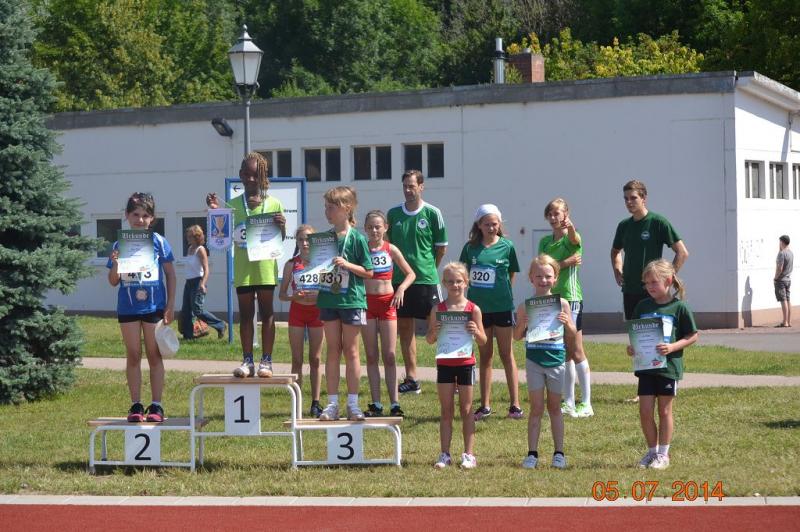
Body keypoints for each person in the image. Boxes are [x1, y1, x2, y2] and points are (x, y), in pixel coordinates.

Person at [206, 152, 285, 379]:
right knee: (246, 314)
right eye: (247, 174)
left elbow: (281, 237)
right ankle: (247, 360)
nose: (251, 179)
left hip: (265, 267)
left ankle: (266, 361)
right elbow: (220, 236)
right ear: (240, 175)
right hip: (243, 268)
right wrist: (215, 212)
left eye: (255, 175)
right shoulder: (232, 205)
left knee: (267, 313)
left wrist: (282, 225)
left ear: (263, 177)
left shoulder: (274, 203)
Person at [107, 192, 176, 423]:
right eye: (135, 214)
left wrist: (170, 305)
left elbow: (170, 274)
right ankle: (136, 404)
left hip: (154, 306)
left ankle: (157, 405)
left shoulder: (159, 242)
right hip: (128, 307)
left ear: (152, 218)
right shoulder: (119, 244)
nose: (140, 219)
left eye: (145, 215)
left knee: (154, 355)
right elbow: (113, 281)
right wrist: (115, 263)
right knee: (134, 354)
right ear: (127, 216)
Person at [627, 259, 698, 470]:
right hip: (646, 368)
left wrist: (673, 347)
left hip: (668, 368)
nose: (649, 287)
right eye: (646, 283)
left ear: (668, 281)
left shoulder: (680, 307)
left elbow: (693, 335)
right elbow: (636, 334)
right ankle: (652, 452)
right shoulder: (642, 306)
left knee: (664, 411)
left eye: (654, 282)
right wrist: (632, 348)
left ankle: (663, 454)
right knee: (645, 411)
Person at [458, 204, 523, 421]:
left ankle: (515, 405)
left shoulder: (507, 246)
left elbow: (511, 273)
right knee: (485, 356)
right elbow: (462, 275)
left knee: (506, 354)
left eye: (494, 224)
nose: (491, 227)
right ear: (479, 225)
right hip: (479, 311)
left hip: (502, 307)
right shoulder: (470, 248)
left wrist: (503, 293)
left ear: (499, 224)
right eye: (487, 224)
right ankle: (485, 405)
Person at [387, 169, 448, 395]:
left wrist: (429, 267)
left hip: (426, 279)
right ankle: (412, 379)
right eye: (405, 186)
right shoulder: (393, 214)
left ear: (421, 187)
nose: (408, 190)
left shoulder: (433, 213)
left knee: (440, 326)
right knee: (405, 329)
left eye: (412, 186)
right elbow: (388, 248)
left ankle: (450, 375)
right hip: (400, 281)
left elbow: (441, 248)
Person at [317, 187, 374, 421]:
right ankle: (332, 403)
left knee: (351, 350)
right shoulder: (324, 238)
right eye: (326, 207)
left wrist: (347, 265)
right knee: (333, 350)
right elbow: (317, 269)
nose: (327, 211)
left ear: (346, 208)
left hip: (351, 300)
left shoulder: (358, 239)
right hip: (329, 298)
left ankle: (353, 403)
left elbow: (369, 271)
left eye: (331, 207)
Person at [514, 255, 575, 470]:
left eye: (548, 276)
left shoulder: (563, 304)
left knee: (555, 408)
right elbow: (516, 336)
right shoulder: (524, 306)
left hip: (556, 360)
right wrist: (522, 324)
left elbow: (573, 332)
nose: (543, 280)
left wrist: (567, 323)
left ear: (555, 278)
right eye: (538, 276)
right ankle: (532, 454)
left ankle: (559, 453)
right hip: (534, 361)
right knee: (536, 408)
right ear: (531, 278)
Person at [426, 262, 487, 469]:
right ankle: (444, 454)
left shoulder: (473, 309)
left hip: (465, 364)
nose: (455, 285)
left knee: (467, 410)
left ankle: (469, 455)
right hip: (444, 363)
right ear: (444, 283)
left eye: (459, 281)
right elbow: (429, 339)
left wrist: (475, 331)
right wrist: (435, 331)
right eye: (450, 281)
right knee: (446, 410)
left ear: (466, 282)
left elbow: (483, 341)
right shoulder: (438, 309)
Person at [538, 198, 593, 418]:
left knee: (576, 349)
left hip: (571, 299)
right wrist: (565, 263)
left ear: (565, 214)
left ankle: (586, 403)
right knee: (564, 352)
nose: (553, 218)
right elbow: (544, 269)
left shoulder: (572, 238)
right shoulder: (545, 242)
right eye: (550, 214)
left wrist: (570, 227)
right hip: (553, 299)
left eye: (557, 213)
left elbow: (574, 239)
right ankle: (569, 401)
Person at [361, 210, 416, 417]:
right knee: (371, 355)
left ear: (385, 228)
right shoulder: (361, 248)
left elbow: (411, 273)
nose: (374, 230)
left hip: (387, 304)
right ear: (365, 229)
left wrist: (401, 289)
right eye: (370, 227)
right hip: (367, 304)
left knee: (390, 355)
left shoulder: (390, 249)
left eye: (378, 227)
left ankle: (395, 404)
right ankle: (376, 404)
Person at [611, 180, 689, 320]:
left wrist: (667, 277)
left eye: (633, 198)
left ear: (644, 198)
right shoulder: (624, 226)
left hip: (652, 290)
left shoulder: (658, 222)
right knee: (634, 331)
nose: (629, 202)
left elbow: (682, 252)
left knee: (654, 330)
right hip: (630, 289)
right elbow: (615, 251)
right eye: (626, 199)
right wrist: (617, 270)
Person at [278, 224, 324, 418]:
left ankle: (315, 402)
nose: (305, 243)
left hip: (317, 313)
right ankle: (296, 402)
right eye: (301, 240)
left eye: (308, 239)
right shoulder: (291, 264)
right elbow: (281, 295)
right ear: (296, 242)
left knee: (315, 359)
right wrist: (293, 296)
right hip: (297, 312)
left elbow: (335, 288)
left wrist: (320, 295)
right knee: (297, 359)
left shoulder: (323, 262)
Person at [180, 225, 226, 340]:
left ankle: (220, 324)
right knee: (186, 310)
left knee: (197, 310)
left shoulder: (201, 249)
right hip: (189, 282)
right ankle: (188, 336)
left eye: (190, 236)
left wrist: (202, 283)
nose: (188, 238)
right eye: (187, 236)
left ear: (197, 236)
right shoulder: (190, 248)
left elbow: (206, 269)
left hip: (198, 281)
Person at [775, 235, 793, 328]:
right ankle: (789, 321)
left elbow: (780, 268)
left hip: (781, 280)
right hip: (788, 279)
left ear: (782, 242)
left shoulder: (782, 254)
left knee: (783, 300)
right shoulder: (790, 253)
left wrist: (775, 277)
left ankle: (785, 322)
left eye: (780, 241)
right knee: (788, 300)